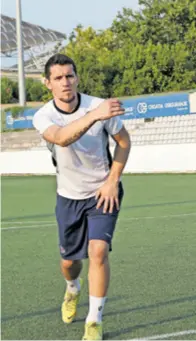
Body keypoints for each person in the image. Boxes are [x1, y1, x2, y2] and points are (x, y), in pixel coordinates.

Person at [32, 53, 131, 340]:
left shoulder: (97, 106)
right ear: (48, 83)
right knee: (69, 262)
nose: (66, 82)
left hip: (102, 192)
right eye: (59, 78)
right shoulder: (44, 115)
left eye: (70, 76)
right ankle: (72, 288)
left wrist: (113, 181)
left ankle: (94, 321)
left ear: (77, 78)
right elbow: (62, 137)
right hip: (68, 196)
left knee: (98, 251)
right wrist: (94, 115)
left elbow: (124, 143)